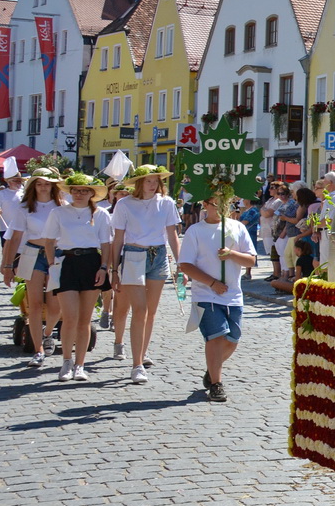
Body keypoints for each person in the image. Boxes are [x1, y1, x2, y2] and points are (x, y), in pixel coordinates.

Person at [180, 191, 258, 403]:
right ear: (206, 204)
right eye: (217, 204)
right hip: (206, 293)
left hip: (233, 294)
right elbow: (185, 264)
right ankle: (216, 383)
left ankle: (212, 368)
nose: (222, 208)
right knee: (215, 336)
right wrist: (212, 283)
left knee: (232, 339)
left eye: (227, 204)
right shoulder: (195, 231)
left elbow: (251, 260)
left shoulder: (238, 227)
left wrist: (232, 254)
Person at [109, 165, 183, 384]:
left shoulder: (166, 203)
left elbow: (173, 236)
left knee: (150, 311)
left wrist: (181, 265)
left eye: (156, 180)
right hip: (133, 254)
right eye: (149, 180)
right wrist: (114, 269)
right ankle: (137, 364)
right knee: (138, 309)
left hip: (158, 255)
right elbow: (118, 239)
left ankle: (142, 351)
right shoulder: (124, 204)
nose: (153, 184)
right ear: (139, 182)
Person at [40, 173, 115, 382]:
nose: (79, 194)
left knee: (85, 319)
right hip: (67, 262)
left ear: (92, 193)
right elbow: (48, 241)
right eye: (75, 190)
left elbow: (106, 245)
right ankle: (66, 361)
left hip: (91, 262)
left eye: (84, 191)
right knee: (70, 316)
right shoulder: (59, 212)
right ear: (70, 192)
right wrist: (52, 265)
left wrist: (103, 268)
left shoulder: (100, 215)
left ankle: (80, 365)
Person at [3, 170, 66, 367]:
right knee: (35, 304)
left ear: (53, 186)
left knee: (55, 305)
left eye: (47, 184)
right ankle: (38, 350)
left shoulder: (62, 206)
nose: (43, 187)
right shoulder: (25, 208)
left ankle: (48, 334)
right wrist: (8, 265)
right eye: (39, 184)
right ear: (33, 186)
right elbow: (15, 238)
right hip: (32, 253)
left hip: (56, 255)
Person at [270, 187, 315, 292]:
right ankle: (290, 275)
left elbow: (296, 220)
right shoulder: (297, 205)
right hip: (290, 233)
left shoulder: (302, 206)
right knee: (287, 254)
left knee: (295, 256)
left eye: (294, 193)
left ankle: (295, 277)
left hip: (296, 233)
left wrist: (285, 218)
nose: (293, 195)